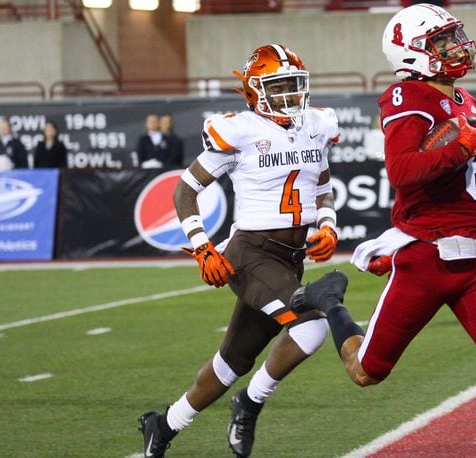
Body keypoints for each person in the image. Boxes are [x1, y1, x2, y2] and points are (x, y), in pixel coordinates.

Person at [292, 5, 476, 458]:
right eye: (442, 41)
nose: (455, 47)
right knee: (366, 373)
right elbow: (402, 171)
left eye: (454, 37)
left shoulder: (462, 98)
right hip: (427, 260)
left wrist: (459, 147)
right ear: (411, 51)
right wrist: (459, 147)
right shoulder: (405, 96)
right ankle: (331, 303)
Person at [138, 44, 340, 458]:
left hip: (289, 258)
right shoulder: (240, 130)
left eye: (292, 85)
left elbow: (321, 185)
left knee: (232, 361)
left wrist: (328, 224)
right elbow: (185, 190)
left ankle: (164, 425)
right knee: (311, 326)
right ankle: (250, 403)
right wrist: (201, 246)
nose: (288, 94)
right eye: (277, 86)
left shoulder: (316, 125)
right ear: (252, 91)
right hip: (251, 254)